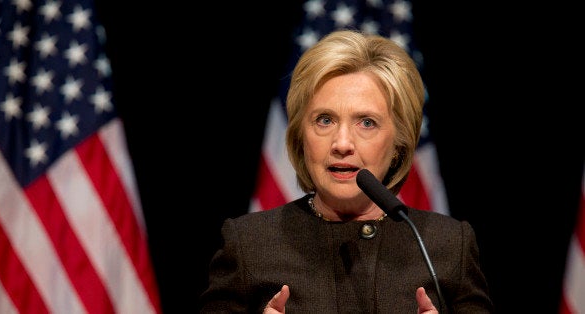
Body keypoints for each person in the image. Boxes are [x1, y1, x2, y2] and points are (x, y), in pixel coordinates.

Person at [199, 29, 494, 313]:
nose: (342, 143)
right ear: (301, 135)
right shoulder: (250, 243)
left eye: (366, 122)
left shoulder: (448, 245)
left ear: (400, 143)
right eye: (325, 120)